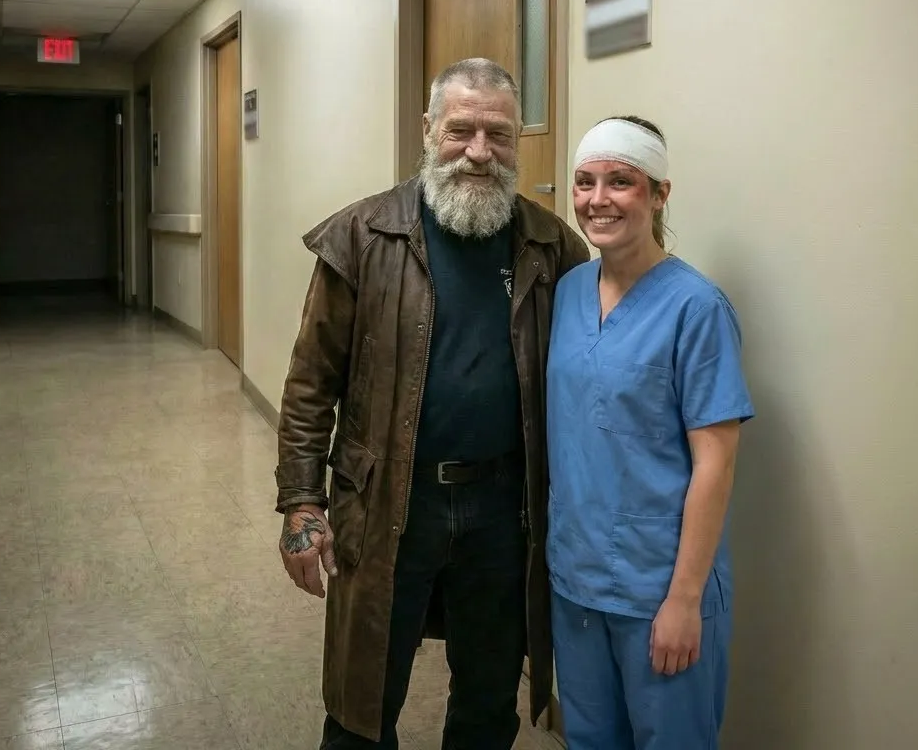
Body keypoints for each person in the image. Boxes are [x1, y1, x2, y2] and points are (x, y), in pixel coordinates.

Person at [274, 57, 589, 749]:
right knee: (362, 700)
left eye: (498, 134)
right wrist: (301, 502)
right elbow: (310, 384)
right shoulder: (362, 237)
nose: (479, 152)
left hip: (504, 512)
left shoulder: (551, 246)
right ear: (427, 130)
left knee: (488, 699)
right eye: (461, 130)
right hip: (389, 500)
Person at [546, 115, 754, 749]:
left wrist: (684, 600)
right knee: (589, 739)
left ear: (660, 194)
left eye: (621, 181)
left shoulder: (697, 308)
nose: (598, 199)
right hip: (576, 578)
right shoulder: (568, 291)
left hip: (660, 584)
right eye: (585, 181)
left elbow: (716, 464)